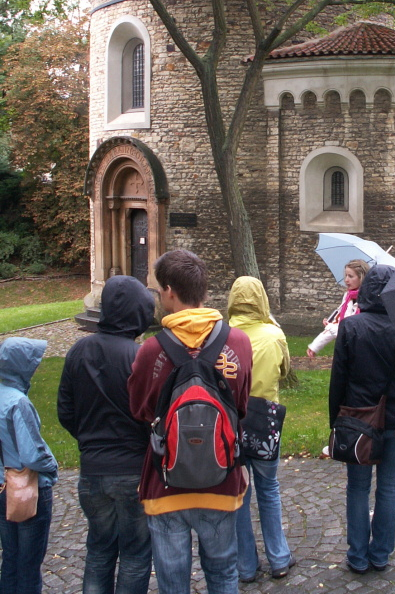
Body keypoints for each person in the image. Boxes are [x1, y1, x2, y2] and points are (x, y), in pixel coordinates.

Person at [128, 250, 252, 594]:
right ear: (204, 289)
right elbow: (240, 405)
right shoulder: (239, 342)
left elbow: (139, 409)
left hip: (165, 480)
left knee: (173, 582)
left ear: (170, 291)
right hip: (221, 478)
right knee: (224, 571)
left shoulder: (151, 350)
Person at [57, 275, 155, 594]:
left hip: (92, 471)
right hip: (132, 472)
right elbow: (150, 415)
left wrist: (88, 438)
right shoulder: (138, 358)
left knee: (99, 550)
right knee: (136, 554)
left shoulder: (78, 352)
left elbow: (66, 411)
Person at [329, 265, 395, 573]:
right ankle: (380, 553)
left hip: (358, 419)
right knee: (389, 485)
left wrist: (334, 418)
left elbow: (339, 378)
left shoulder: (353, 327)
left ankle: (359, 554)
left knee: (358, 487)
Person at [227, 276, 295, 582]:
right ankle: (278, 557)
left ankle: (245, 565)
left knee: (240, 493)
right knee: (268, 489)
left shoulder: (223, 336)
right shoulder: (273, 334)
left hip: (233, 424)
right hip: (266, 422)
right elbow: (284, 371)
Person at [0, 336, 58, 594]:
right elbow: (33, 453)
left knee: (10, 558)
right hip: (27, 488)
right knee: (29, 563)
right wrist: (52, 467)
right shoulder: (18, 402)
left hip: (2, 486)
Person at [307, 259, 370, 357]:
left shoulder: (368, 301)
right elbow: (337, 323)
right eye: (346, 276)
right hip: (346, 351)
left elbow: (351, 331)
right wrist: (315, 346)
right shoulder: (347, 297)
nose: (346, 280)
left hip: (362, 352)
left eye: (351, 276)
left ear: (361, 277)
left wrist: (329, 326)